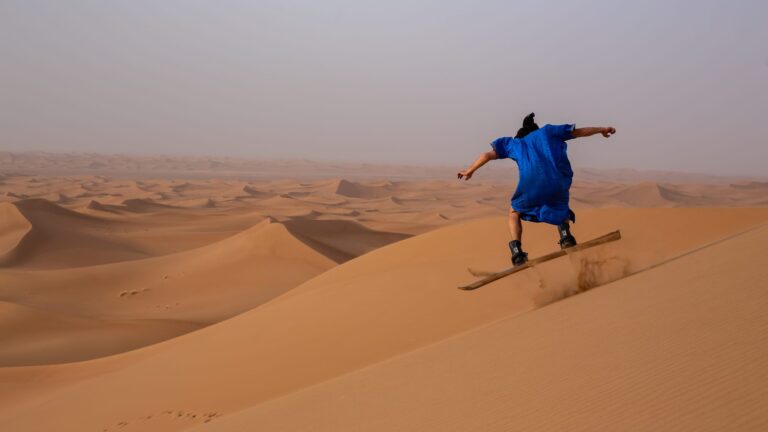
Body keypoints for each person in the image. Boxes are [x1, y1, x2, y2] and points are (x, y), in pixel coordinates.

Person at [457, 113, 616, 266]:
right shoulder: (548, 131)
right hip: (557, 181)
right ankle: (566, 236)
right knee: (561, 205)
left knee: (514, 212)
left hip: (531, 184)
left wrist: (470, 170)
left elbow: (486, 155)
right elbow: (580, 132)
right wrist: (602, 129)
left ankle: (517, 252)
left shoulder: (514, 143)